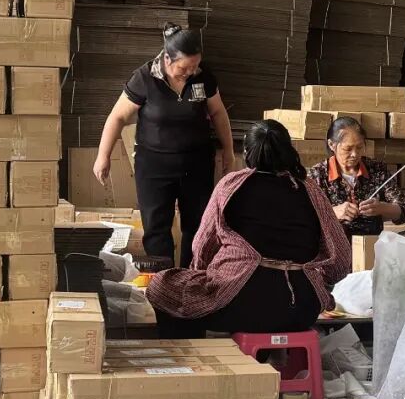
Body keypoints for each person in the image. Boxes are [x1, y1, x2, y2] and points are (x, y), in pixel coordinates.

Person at [148, 120, 351, 339]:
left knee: (162, 284)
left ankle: (194, 355)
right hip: (302, 308)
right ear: (288, 150)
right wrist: (316, 280)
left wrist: (203, 277)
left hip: (240, 305)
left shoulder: (231, 185)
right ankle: (268, 354)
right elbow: (341, 262)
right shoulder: (311, 190)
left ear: (247, 152)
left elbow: (202, 247)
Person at [93, 23, 234, 268]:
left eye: (195, 66)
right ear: (167, 59)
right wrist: (103, 156)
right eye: (184, 68)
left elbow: (219, 113)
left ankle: (192, 278)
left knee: (198, 225)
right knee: (156, 227)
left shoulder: (203, 77)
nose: (190, 72)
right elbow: (117, 117)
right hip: (154, 166)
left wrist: (229, 152)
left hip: (197, 163)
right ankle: (163, 280)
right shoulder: (145, 78)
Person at [308, 116, 405, 237]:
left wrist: (382, 208)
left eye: (359, 147)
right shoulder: (317, 175)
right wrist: (333, 213)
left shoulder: (376, 170)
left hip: (369, 244)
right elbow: (302, 216)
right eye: (348, 149)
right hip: (332, 246)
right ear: (332, 145)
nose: (354, 154)